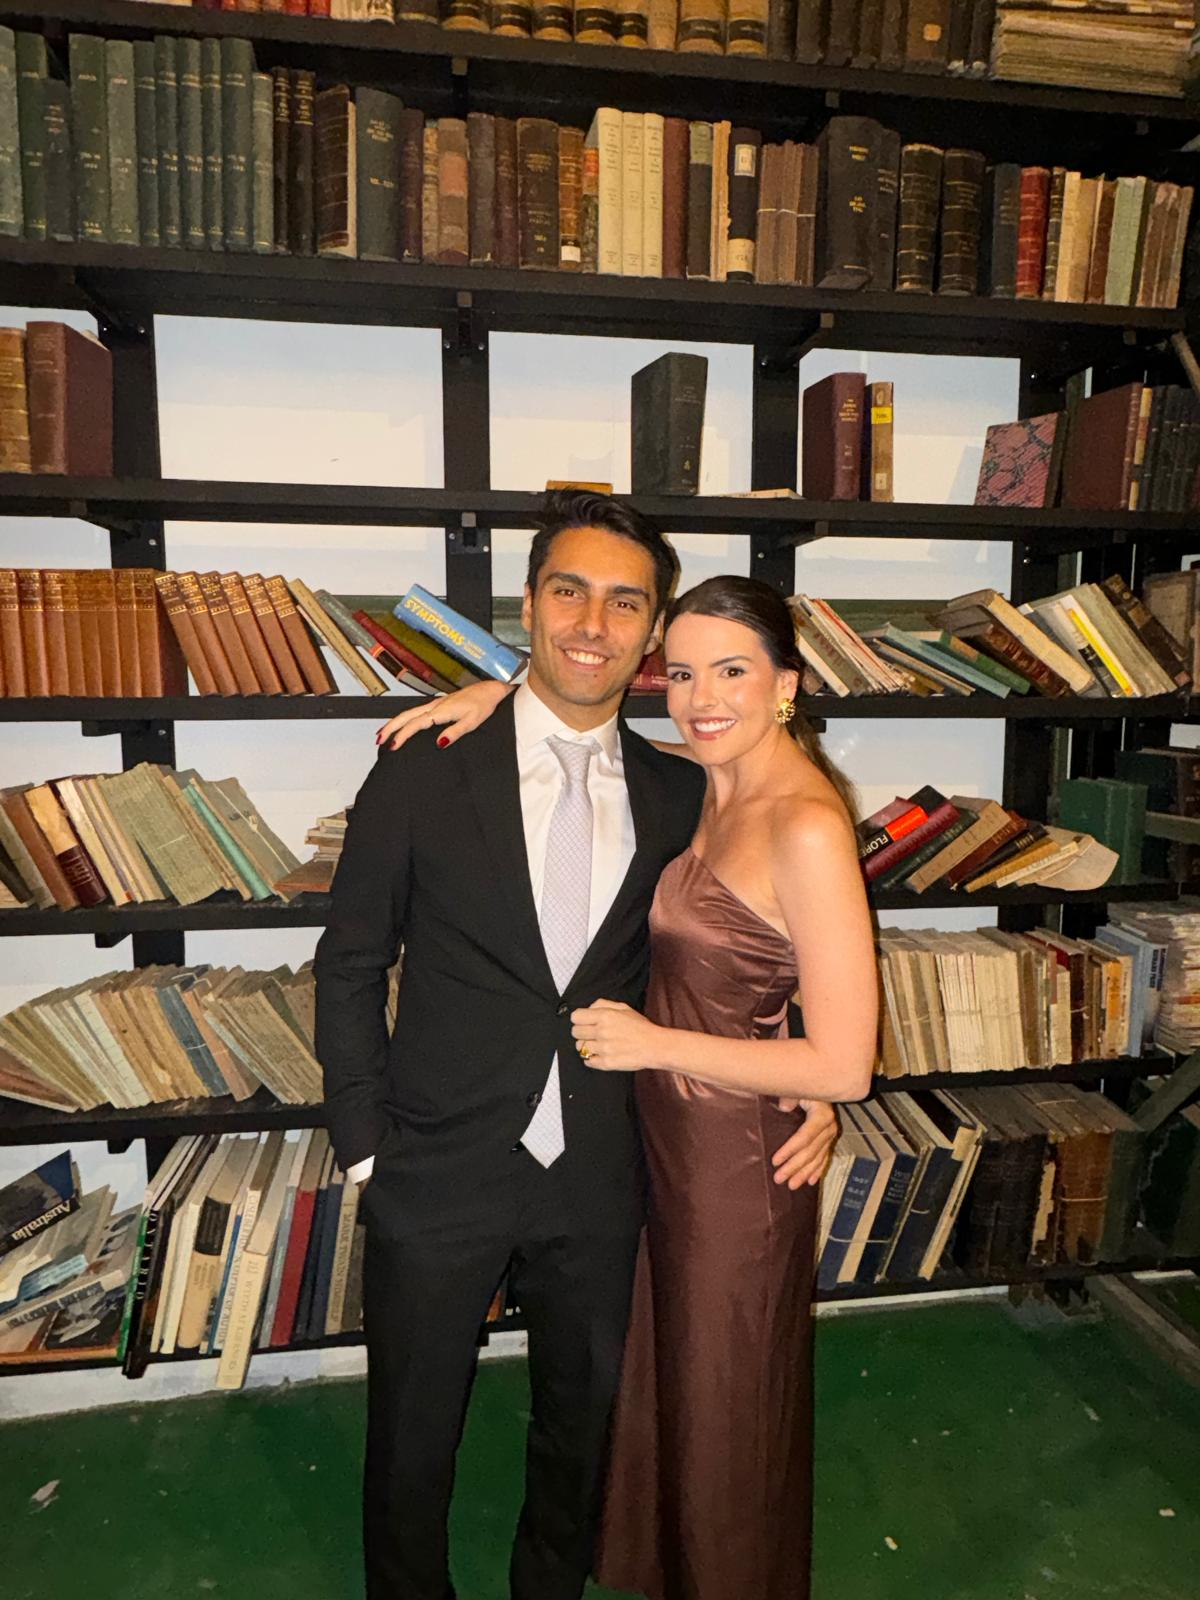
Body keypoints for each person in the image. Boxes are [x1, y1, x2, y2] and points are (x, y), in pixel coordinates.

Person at [314, 490, 840, 1600]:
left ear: (652, 633)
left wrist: (817, 1082)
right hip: (435, 1165)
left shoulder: (684, 788)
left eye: (623, 601)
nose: (592, 622)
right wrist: (366, 1148)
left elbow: (745, 941)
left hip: (607, 1168)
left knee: (581, 1428)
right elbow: (351, 962)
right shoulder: (424, 765)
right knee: (410, 1438)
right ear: (528, 604)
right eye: (569, 591)